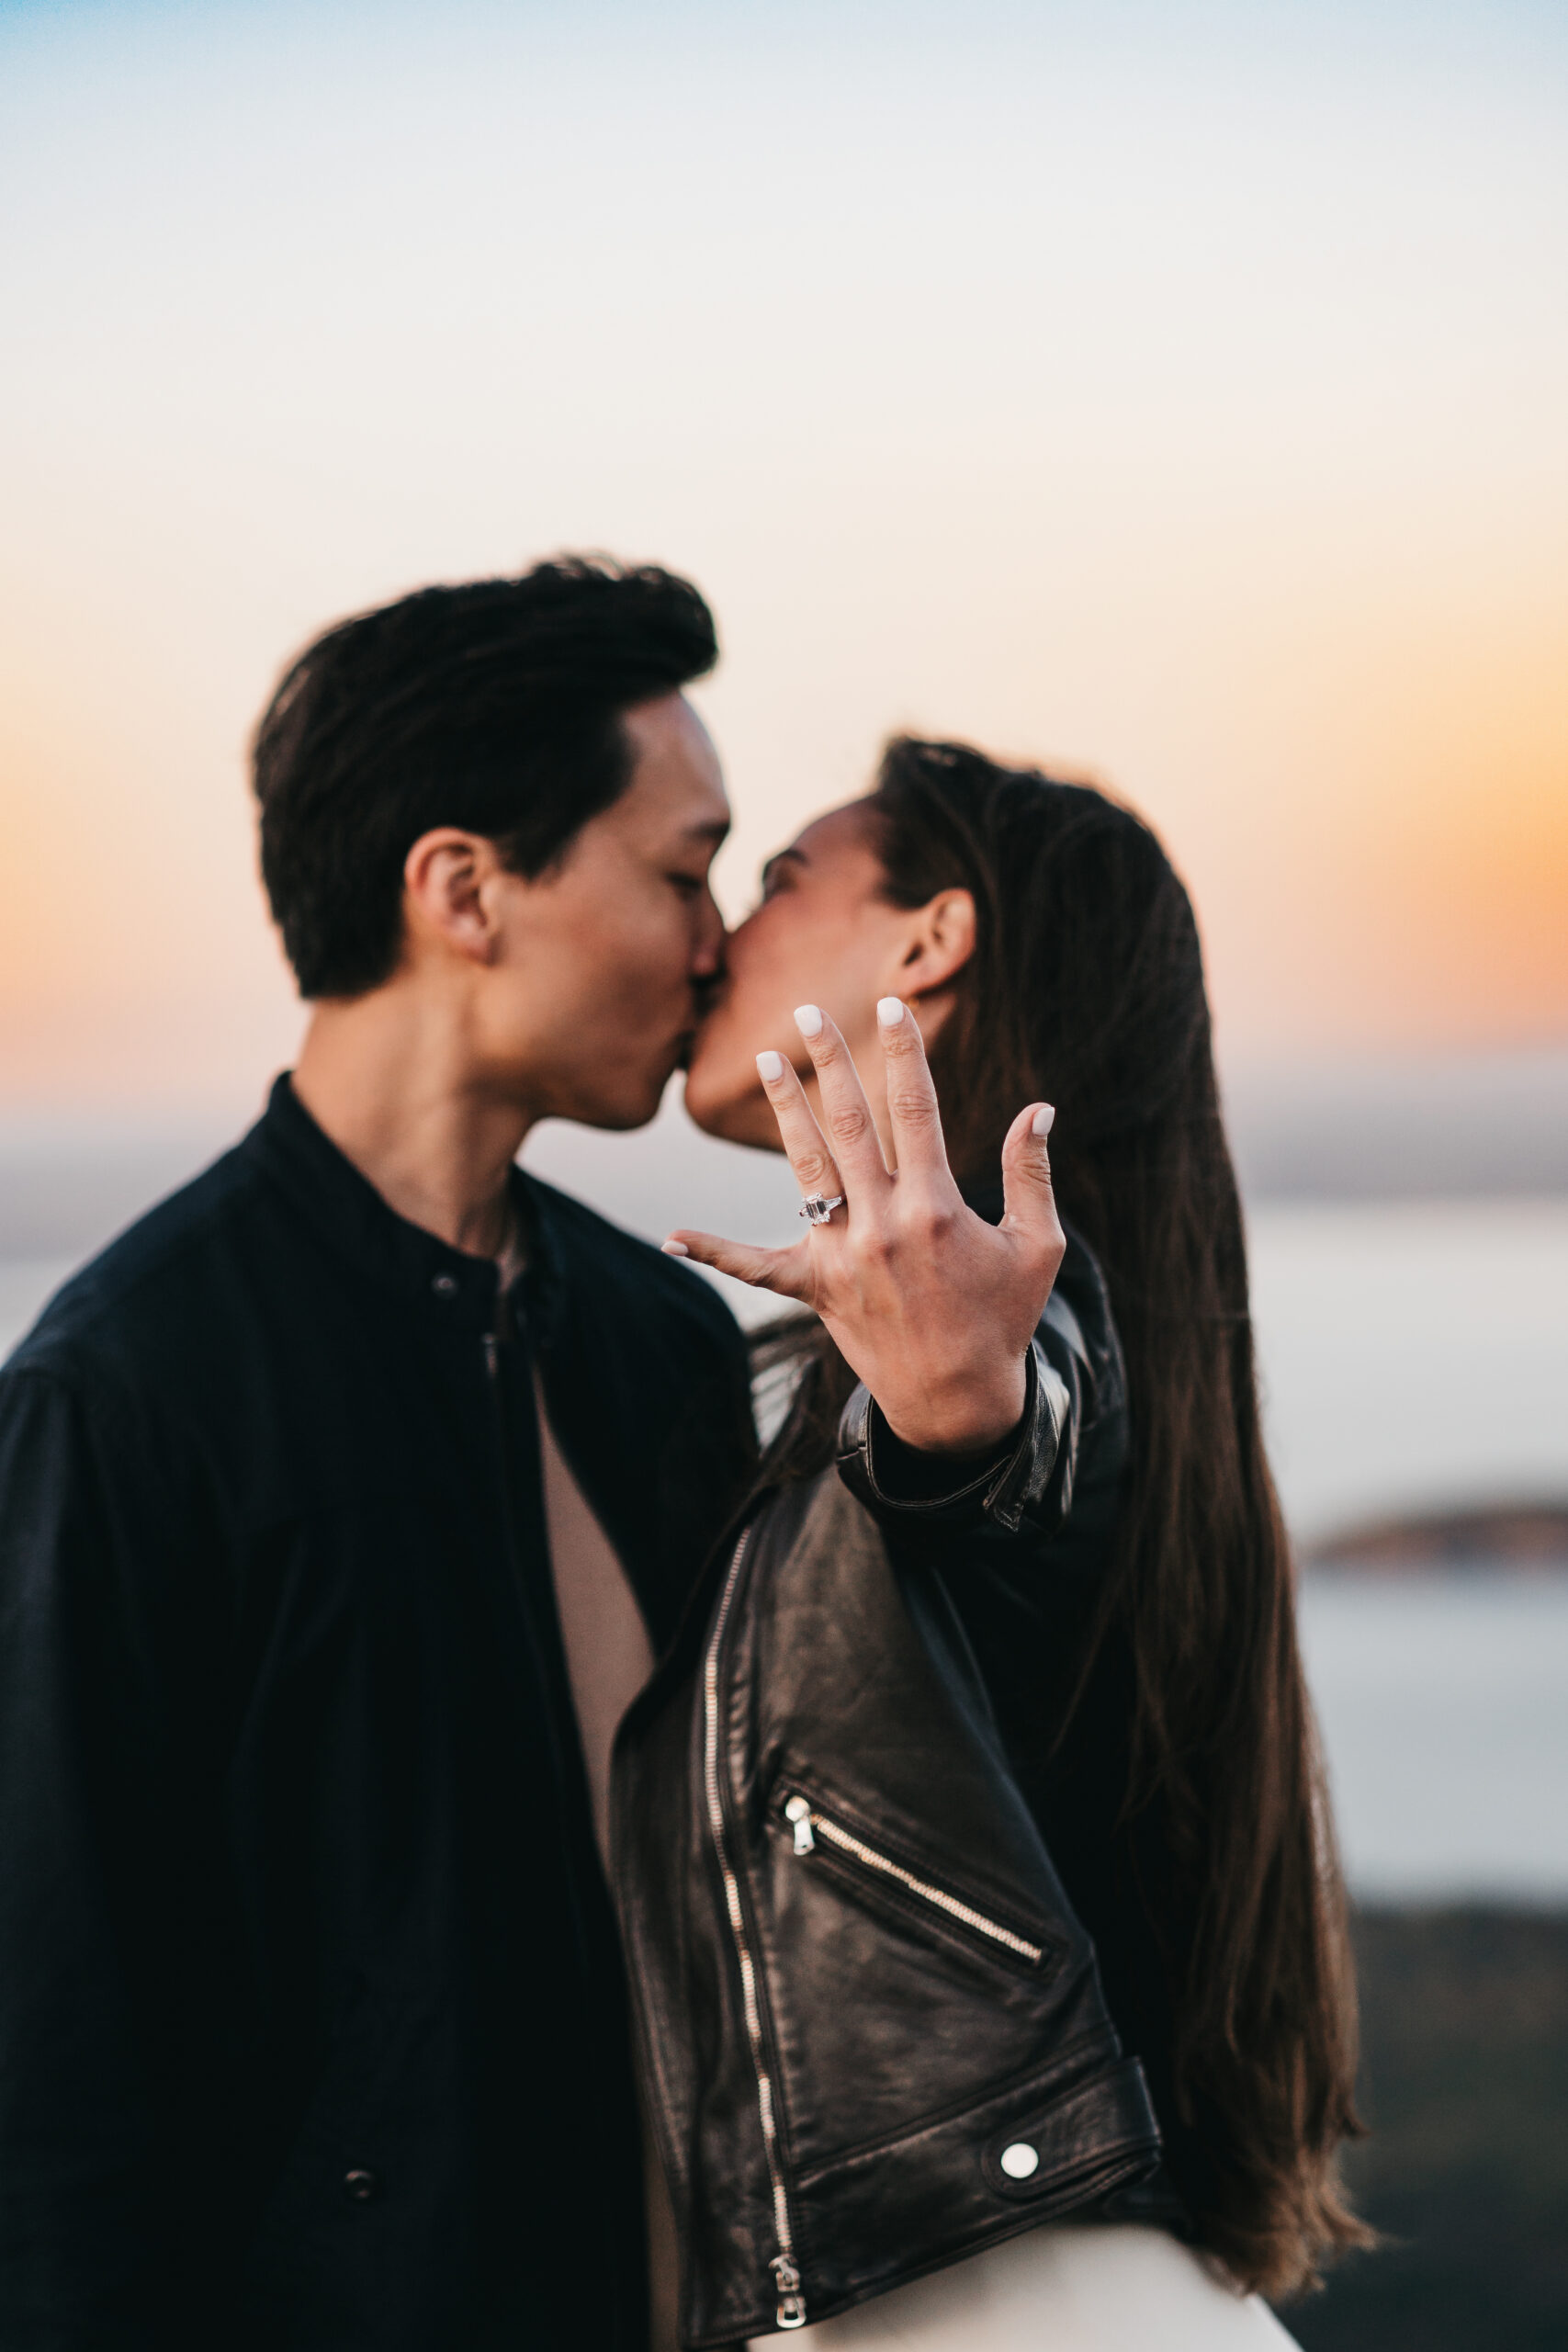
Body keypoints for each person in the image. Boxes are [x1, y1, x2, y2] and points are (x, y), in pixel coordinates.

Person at [0, 558, 759, 2350]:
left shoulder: (662, 1348)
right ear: (461, 889)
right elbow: (51, 2102)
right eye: (680, 866)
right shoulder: (123, 1396)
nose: (719, 933)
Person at [611, 738, 1369, 2345]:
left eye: (777, 883)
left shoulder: (1047, 1328)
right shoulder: (1095, 1328)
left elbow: (1012, 1452)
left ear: (928, 941)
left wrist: (958, 1411)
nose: (718, 941)